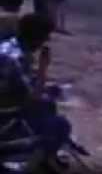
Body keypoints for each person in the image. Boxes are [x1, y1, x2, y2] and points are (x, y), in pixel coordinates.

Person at [0, 13, 71, 165]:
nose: (46, 41)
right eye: (45, 36)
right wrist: (43, 67)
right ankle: (31, 162)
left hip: (8, 102)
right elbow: (33, 98)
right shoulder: (16, 58)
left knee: (47, 105)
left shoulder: (8, 47)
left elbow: (23, 83)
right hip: (5, 114)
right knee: (60, 124)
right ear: (36, 37)